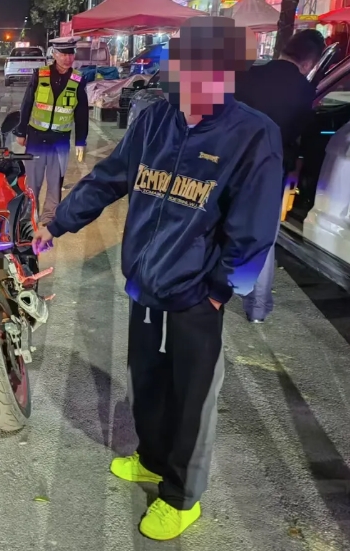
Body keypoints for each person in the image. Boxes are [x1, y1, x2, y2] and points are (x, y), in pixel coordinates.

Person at [33, 17, 283, 540]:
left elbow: (254, 229)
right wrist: (56, 224)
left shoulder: (252, 134)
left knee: (192, 397)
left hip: (197, 295)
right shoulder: (154, 120)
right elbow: (109, 179)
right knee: (146, 379)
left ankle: (181, 496)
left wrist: (219, 290)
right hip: (145, 282)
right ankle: (150, 457)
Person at [235, 29, 325, 323]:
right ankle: (257, 308)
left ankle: (211, 292)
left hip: (233, 166)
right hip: (271, 172)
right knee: (262, 239)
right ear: (309, 63)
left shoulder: (247, 75)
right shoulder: (304, 91)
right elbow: (302, 137)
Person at [14, 36, 89, 226]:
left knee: (55, 183)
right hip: (36, 137)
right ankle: (29, 216)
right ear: (54, 54)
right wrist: (21, 132)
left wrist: (81, 141)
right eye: (63, 54)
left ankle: (49, 218)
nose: (67, 58)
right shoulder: (40, 74)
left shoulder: (78, 79)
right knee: (32, 181)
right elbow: (27, 104)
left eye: (71, 54)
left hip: (60, 140)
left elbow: (81, 113)